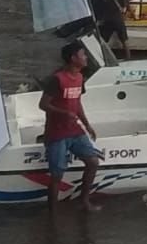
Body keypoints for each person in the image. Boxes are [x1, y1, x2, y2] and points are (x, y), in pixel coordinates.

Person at [39, 41, 103, 210]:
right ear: (74, 58)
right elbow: (43, 104)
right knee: (57, 175)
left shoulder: (80, 77)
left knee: (93, 162)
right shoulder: (57, 79)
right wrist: (63, 113)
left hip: (75, 130)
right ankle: (52, 211)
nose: (86, 57)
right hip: (57, 133)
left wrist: (87, 124)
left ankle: (84, 200)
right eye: (83, 55)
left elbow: (77, 102)